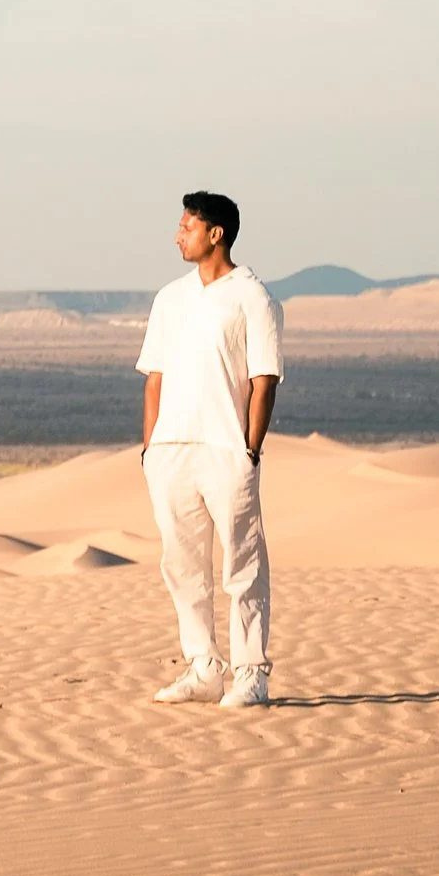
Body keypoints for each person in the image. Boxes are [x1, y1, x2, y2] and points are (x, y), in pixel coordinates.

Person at [137, 191, 284, 707]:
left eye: (187, 226)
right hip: (171, 453)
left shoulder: (253, 297)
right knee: (181, 566)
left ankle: (251, 673)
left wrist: (248, 450)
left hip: (226, 450)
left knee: (242, 565)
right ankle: (204, 667)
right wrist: (151, 450)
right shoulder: (169, 299)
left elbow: (264, 380)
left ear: (215, 233)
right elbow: (154, 378)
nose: (178, 235)